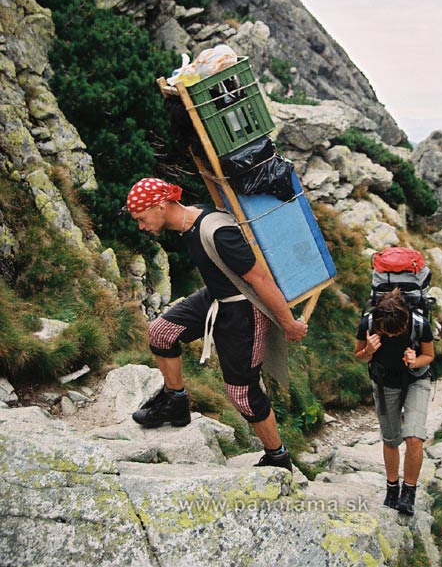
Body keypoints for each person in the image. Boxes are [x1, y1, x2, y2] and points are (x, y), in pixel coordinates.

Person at [126, 177, 308, 472]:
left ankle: (278, 457)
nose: (141, 226)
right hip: (216, 298)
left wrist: (288, 324)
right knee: (161, 332)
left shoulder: (218, 232)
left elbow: (260, 279)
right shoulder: (190, 221)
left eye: (142, 219)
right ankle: (176, 402)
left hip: (244, 310)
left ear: (160, 206)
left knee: (242, 394)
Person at [354, 289, 434, 515]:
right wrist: (368, 351)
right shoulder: (368, 323)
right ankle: (392, 488)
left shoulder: (419, 324)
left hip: (416, 380)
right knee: (390, 439)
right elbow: (358, 353)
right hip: (384, 382)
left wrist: (415, 360)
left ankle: (408, 493)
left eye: (396, 332)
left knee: (414, 437)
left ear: (405, 320)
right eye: (385, 332)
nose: (390, 336)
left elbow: (429, 355)